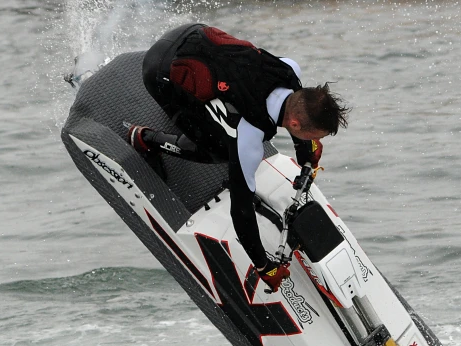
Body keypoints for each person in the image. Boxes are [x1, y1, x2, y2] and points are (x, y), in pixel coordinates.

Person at [128, 23, 350, 292]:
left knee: (228, 86)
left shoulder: (290, 70)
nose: (317, 141)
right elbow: (241, 212)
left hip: (189, 33)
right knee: (217, 149)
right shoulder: (249, 139)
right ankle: (146, 138)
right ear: (294, 124)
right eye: (315, 136)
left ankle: (198, 97)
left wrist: (305, 150)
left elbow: (295, 105)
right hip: (158, 70)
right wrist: (263, 265)